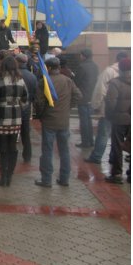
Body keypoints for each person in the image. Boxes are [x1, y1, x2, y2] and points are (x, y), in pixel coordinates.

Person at [34, 57, 82, 188]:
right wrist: (68, 106)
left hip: (49, 120)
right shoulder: (68, 81)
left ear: (48, 68)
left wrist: (41, 114)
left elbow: (39, 102)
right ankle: (64, 178)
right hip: (63, 120)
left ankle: (46, 179)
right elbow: (78, 95)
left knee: (47, 150)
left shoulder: (44, 82)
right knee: (64, 150)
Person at [0, 56, 28, 186]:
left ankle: (3, 176)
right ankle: (10, 175)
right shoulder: (21, 80)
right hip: (16, 118)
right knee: (13, 147)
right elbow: (25, 99)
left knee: (2, 147)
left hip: (2, 117)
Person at [85, 51, 128, 164]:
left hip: (109, 110)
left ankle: (97, 156)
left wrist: (96, 105)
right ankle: (113, 158)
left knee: (103, 134)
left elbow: (100, 89)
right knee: (119, 138)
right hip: (127, 113)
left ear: (116, 59)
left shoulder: (109, 71)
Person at [104, 58, 131, 184]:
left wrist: (109, 116)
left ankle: (117, 173)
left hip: (119, 119)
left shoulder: (115, 83)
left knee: (117, 147)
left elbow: (110, 102)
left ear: (120, 69)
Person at [74, 49, 99, 149]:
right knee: (88, 120)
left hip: (83, 96)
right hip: (91, 95)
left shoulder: (82, 66)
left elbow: (77, 81)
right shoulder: (95, 66)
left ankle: (85, 142)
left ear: (84, 56)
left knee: (84, 120)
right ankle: (90, 140)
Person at [16, 53, 37, 163]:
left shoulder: (15, 75)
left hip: (14, 106)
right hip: (27, 107)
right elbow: (34, 92)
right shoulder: (31, 76)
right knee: (25, 132)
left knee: (12, 132)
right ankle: (27, 154)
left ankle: (12, 154)